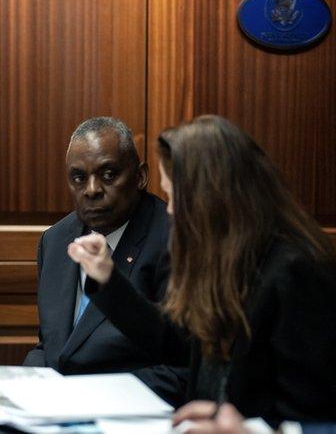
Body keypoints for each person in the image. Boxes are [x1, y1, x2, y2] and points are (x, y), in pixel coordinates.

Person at [69, 115, 336, 424]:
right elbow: (180, 345)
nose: (169, 210)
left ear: (212, 197)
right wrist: (108, 279)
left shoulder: (297, 272)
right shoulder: (228, 263)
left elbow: (321, 419)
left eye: (174, 196)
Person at [23, 117, 186, 404]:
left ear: (140, 177)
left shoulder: (173, 240)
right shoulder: (55, 241)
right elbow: (51, 348)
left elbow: (179, 372)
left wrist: (84, 394)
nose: (92, 189)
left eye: (108, 175)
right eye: (78, 178)